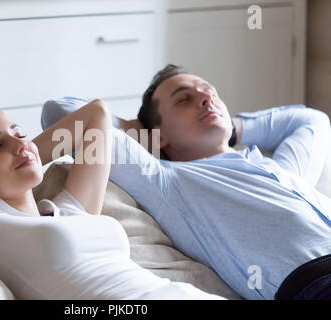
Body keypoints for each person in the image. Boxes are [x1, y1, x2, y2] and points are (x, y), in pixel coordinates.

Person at [0, 99, 224, 300]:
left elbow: (97, 116)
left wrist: (24, 155)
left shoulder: (72, 208)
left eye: (21, 133)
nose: (19, 143)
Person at [41, 65, 331, 300]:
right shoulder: (170, 183)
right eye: (184, 99)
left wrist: (231, 129)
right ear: (159, 135)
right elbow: (61, 113)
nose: (206, 99)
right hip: (316, 282)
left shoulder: (284, 169)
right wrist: (142, 133)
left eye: (210, 93)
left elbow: (311, 121)